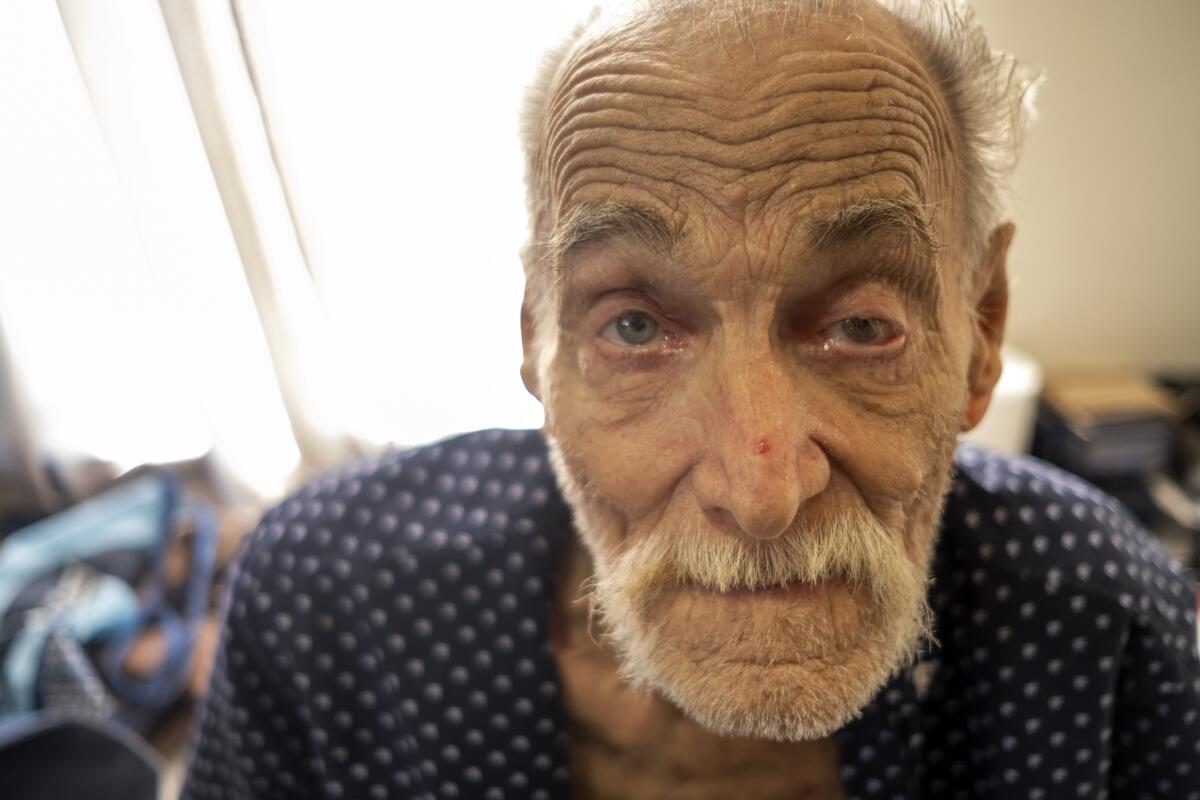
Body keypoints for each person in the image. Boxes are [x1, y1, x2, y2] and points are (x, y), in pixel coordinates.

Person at [180, 1, 1200, 798]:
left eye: (860, 326)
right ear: (533, 338)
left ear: (980, 328)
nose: (759, 492)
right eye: (633, 326)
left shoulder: (1099, 619)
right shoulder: (325, 602)